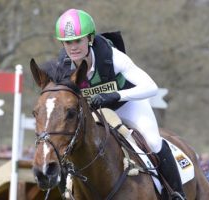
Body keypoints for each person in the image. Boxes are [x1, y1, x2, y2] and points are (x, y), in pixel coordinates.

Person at [55, 8, 185, 199]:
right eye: (67, 42)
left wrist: (116, 95)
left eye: (78, 40)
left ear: (89, 39)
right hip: (94, 112)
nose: (73, 47)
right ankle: (68, 192)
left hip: (127, 104)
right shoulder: (63, 68)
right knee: (68, 146)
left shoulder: (112, 57)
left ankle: (176, 194)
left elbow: (151, 87)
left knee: (153, 142)